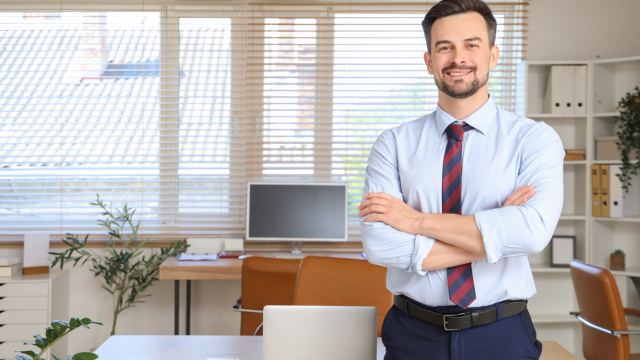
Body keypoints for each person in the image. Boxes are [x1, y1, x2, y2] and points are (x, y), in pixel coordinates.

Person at [358, 0, 564, 358]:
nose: (458, 58)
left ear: (493, 55)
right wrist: (495, 231)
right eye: (444, 47)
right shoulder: (392, 144)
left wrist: (415, 221)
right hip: (413, 334)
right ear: (429, 62)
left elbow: (532, 232)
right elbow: (379, 245)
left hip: (501, 334)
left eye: (471, 44)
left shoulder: (534, 139)